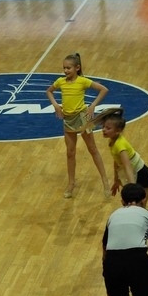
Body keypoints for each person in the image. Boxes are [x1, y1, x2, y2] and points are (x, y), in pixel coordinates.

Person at [98, 108, 148, 248]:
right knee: (138, 209)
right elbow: (117, 162)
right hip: (136, 176)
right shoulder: (113, 142)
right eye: (103, 127)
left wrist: (132, 189)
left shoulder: (120, 145)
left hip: (142, 176)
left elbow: (127, 166)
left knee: (139, 209)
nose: (104, 130)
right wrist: (116, 180)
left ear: (118, 131)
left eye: (108, 128)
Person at [45, 53, 110, 199]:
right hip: (68, 119)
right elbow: (49, 91)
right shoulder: (60, 82)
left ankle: (105, 181)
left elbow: (104, 89)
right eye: (64, 68)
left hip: (82, 118)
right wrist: (56, 105)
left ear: (77, 68)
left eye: (68, 68)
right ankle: (71, 183)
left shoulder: (83, 81)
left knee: (92, 149)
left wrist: (92, 105)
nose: (66, 71)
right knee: (70, 152)